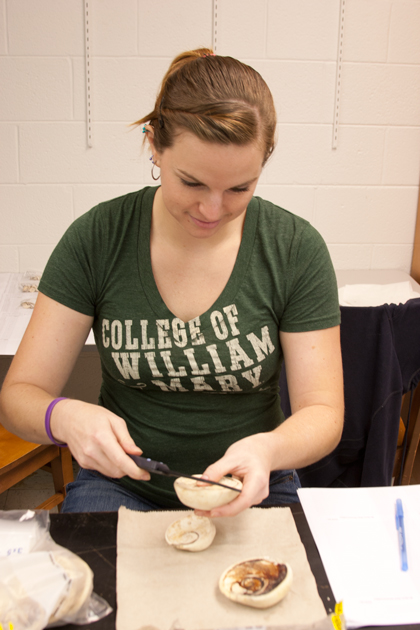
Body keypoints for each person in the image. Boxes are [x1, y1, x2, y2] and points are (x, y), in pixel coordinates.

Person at [0, 48, 344, 517]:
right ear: (154, 145)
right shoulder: (99, 237)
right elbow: (19, 395)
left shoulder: (294, 249)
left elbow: (323, 413)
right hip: (123, 484)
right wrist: (64, 416)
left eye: (240, 188)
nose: (213, 210)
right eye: (192, 182)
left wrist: (268, 451)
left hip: (252, 484)